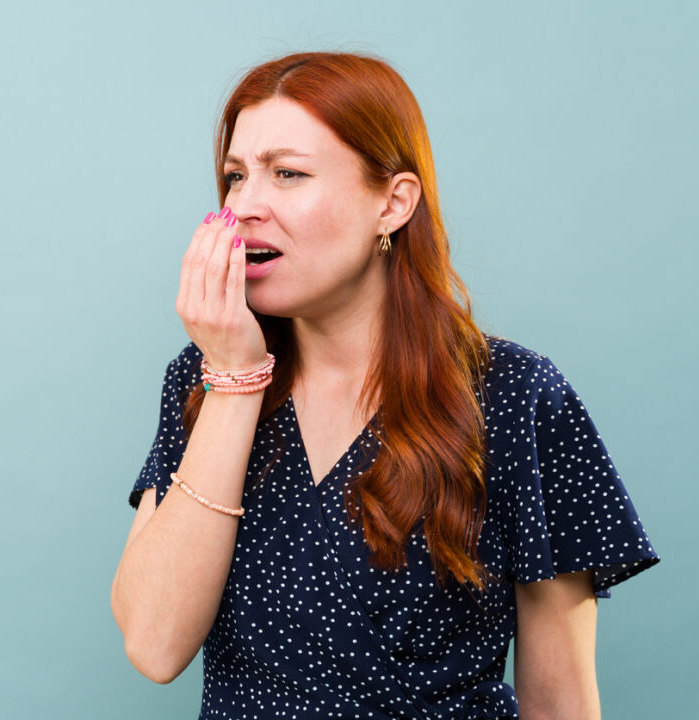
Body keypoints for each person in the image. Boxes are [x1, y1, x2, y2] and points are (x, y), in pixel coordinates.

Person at [110, 51, 660, 720]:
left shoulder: (515, 396)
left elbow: (560, 702)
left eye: (287, 174)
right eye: (235, 176)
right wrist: (235, 381)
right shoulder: (201, 379)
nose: (245, 205)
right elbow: (154, 645)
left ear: (393, 203)